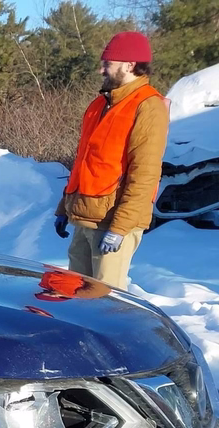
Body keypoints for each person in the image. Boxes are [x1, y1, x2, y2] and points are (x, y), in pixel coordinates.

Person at [54, 31, 168, 289]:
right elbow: (84, 164)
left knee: (107, 305)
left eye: (107, 64)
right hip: (85, 219)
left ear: (129, 65)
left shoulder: (148, 106)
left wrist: (120, 227)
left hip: (112, 222)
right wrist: (64, 207)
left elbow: (145, 174)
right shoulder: (99, 104)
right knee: (78, 300)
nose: (100, 70)